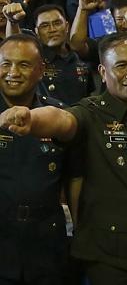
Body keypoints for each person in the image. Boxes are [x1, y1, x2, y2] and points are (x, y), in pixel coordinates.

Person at [0, 32, 127, 285]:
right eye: (121, 66)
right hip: (110, 254)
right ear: (103, 72)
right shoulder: (89, 113)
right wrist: (32, 119)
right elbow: (61, 120)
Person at [0, 34, 70, 285]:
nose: (13, 72)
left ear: (41, 70)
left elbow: (74, 178)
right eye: (5, 64)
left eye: (24, 65)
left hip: (46, 243)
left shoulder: (58, 117)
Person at [31, 4, 94, 105]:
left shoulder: (81, 60)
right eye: (45, 26)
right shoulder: (33, 61)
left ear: (67, 26)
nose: (52, 29)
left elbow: (89, 98)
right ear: (37, 32)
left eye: (57, 23)